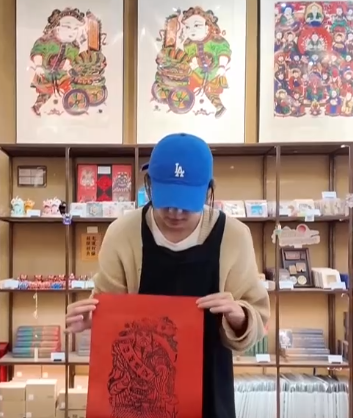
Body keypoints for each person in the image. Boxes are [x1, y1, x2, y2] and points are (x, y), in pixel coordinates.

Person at [65, 133, 270, 418]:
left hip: (209, 387)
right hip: (139, 392)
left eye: (187, 203)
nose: (175, 212)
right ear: (149, 184)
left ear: (208, 189)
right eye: (166, 200)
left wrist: (240, 317)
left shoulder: (234, 236)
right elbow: (107, 306)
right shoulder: (122, 233)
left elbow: (258, 318)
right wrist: (95, 319)